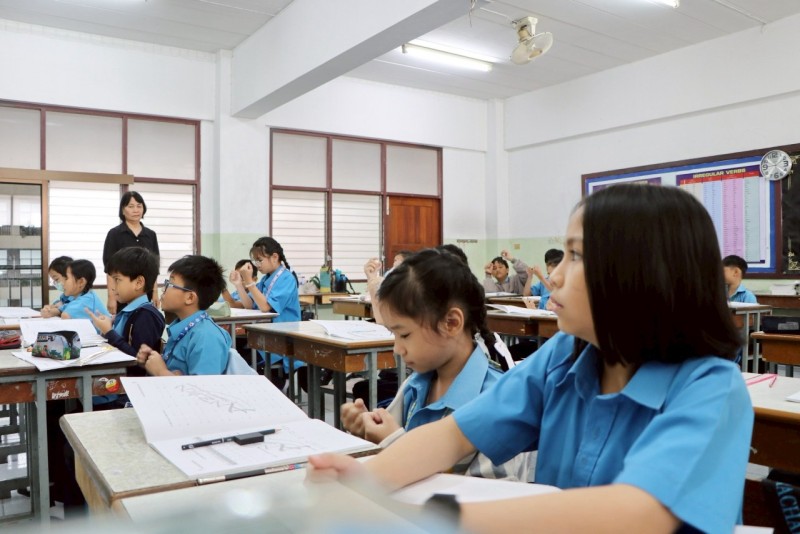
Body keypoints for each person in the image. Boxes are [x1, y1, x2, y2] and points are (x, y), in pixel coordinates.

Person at [309, 184, 753, 534]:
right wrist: (365, 482)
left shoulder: (712, 389)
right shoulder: (565, 356)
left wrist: (431, 521)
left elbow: (639, 513)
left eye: (576, 256)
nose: (554, 275)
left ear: (641, 273)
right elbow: (454, 434)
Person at [341, 248, 530, 480]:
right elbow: (388, 433)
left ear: (451, 323)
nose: (397, 349)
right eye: (393, 334)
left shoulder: (497, 403)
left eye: (404, 335)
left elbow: (490, 496)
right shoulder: (417, 383)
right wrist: (368, 430)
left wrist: (393, 442)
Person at [135, 255, 230, 376]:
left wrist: (161, 372)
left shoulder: (207, 337)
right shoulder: (183, 327)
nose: (163, 289)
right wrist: (151, 362)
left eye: (170, 284)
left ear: (190, 297)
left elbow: (203, 387)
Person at [231, 237, 301, 378]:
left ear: (274, 257)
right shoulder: (265, 279)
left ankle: (280, 382)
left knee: (239, 361)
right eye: (255, 261)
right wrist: (239, 284)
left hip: (280, 338)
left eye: (260, 260)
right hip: (265, 334)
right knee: (234, 353)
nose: (257, 265)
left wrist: (249, 281)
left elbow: (265, 306)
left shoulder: (286, 278)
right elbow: (249, 305)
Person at [86, 247, 165, 362]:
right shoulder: (128, 312)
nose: (113, 287)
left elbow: (138, 360)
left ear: (138, 283)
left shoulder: (146, 316)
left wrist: (109, 332)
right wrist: (107, 328)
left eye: (117, 280)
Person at [103, 191, 160, 314]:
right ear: (123, 210)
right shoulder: (114, 234)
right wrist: (111, 297)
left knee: (144, 320)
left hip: (146, 294)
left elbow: (154, 268)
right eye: (131, 206)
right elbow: (109, 269)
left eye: (139, 206)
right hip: (122, 292)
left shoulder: (151, 235)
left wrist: (155, 292)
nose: (136, 210)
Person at [59, 259, 110, 325]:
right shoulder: (87, 295)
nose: (62, 283)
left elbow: (65, 316)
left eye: (66, 279)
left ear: (81, 282)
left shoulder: (85, 301)